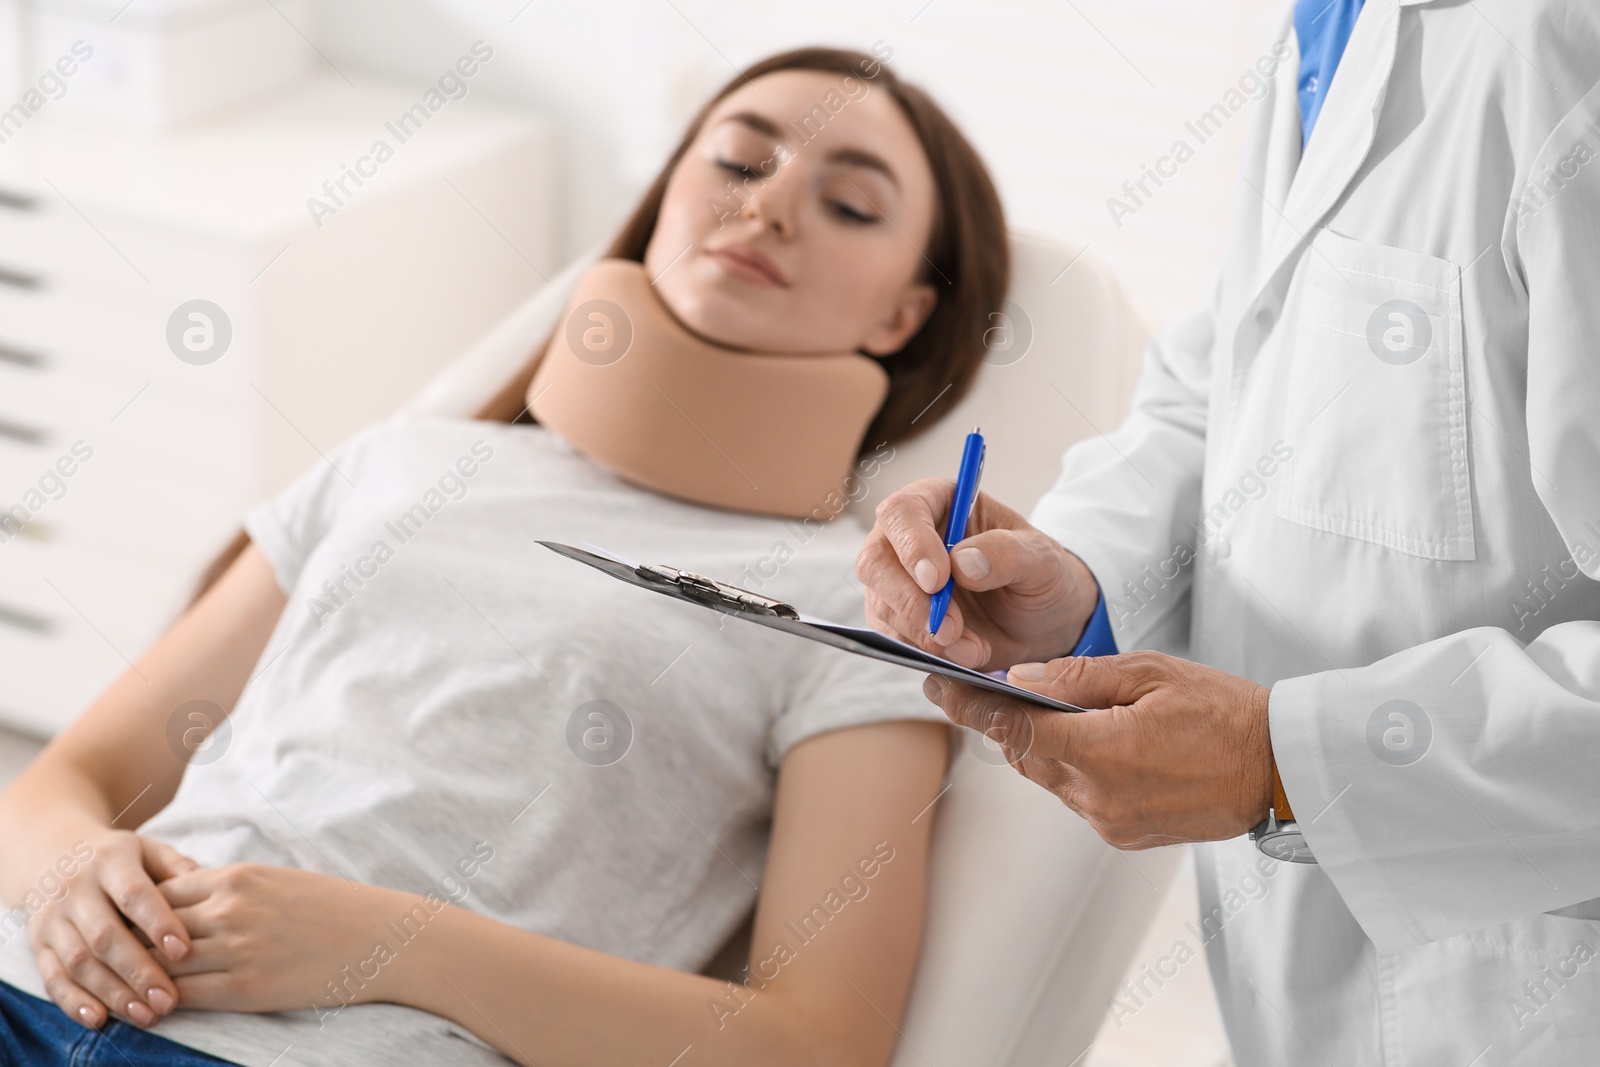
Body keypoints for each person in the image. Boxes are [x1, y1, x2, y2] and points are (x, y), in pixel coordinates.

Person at [0, 47, 1009, 1067]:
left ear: (903, 313)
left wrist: (381, 942)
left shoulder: (852, 610)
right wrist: (71, 868)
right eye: (740, 165)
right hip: (36, 977)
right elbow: (63, 781)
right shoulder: (402, 460)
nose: (772, 205)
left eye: (849, 206)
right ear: (664, 198)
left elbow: (818, 1044)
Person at [856, 1, 1600, 1062]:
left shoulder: (1565, 54)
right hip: (1297, 992)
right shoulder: (1327, 26)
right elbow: (1237, 378)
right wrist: (1073, 578)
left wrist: (1286, 760)